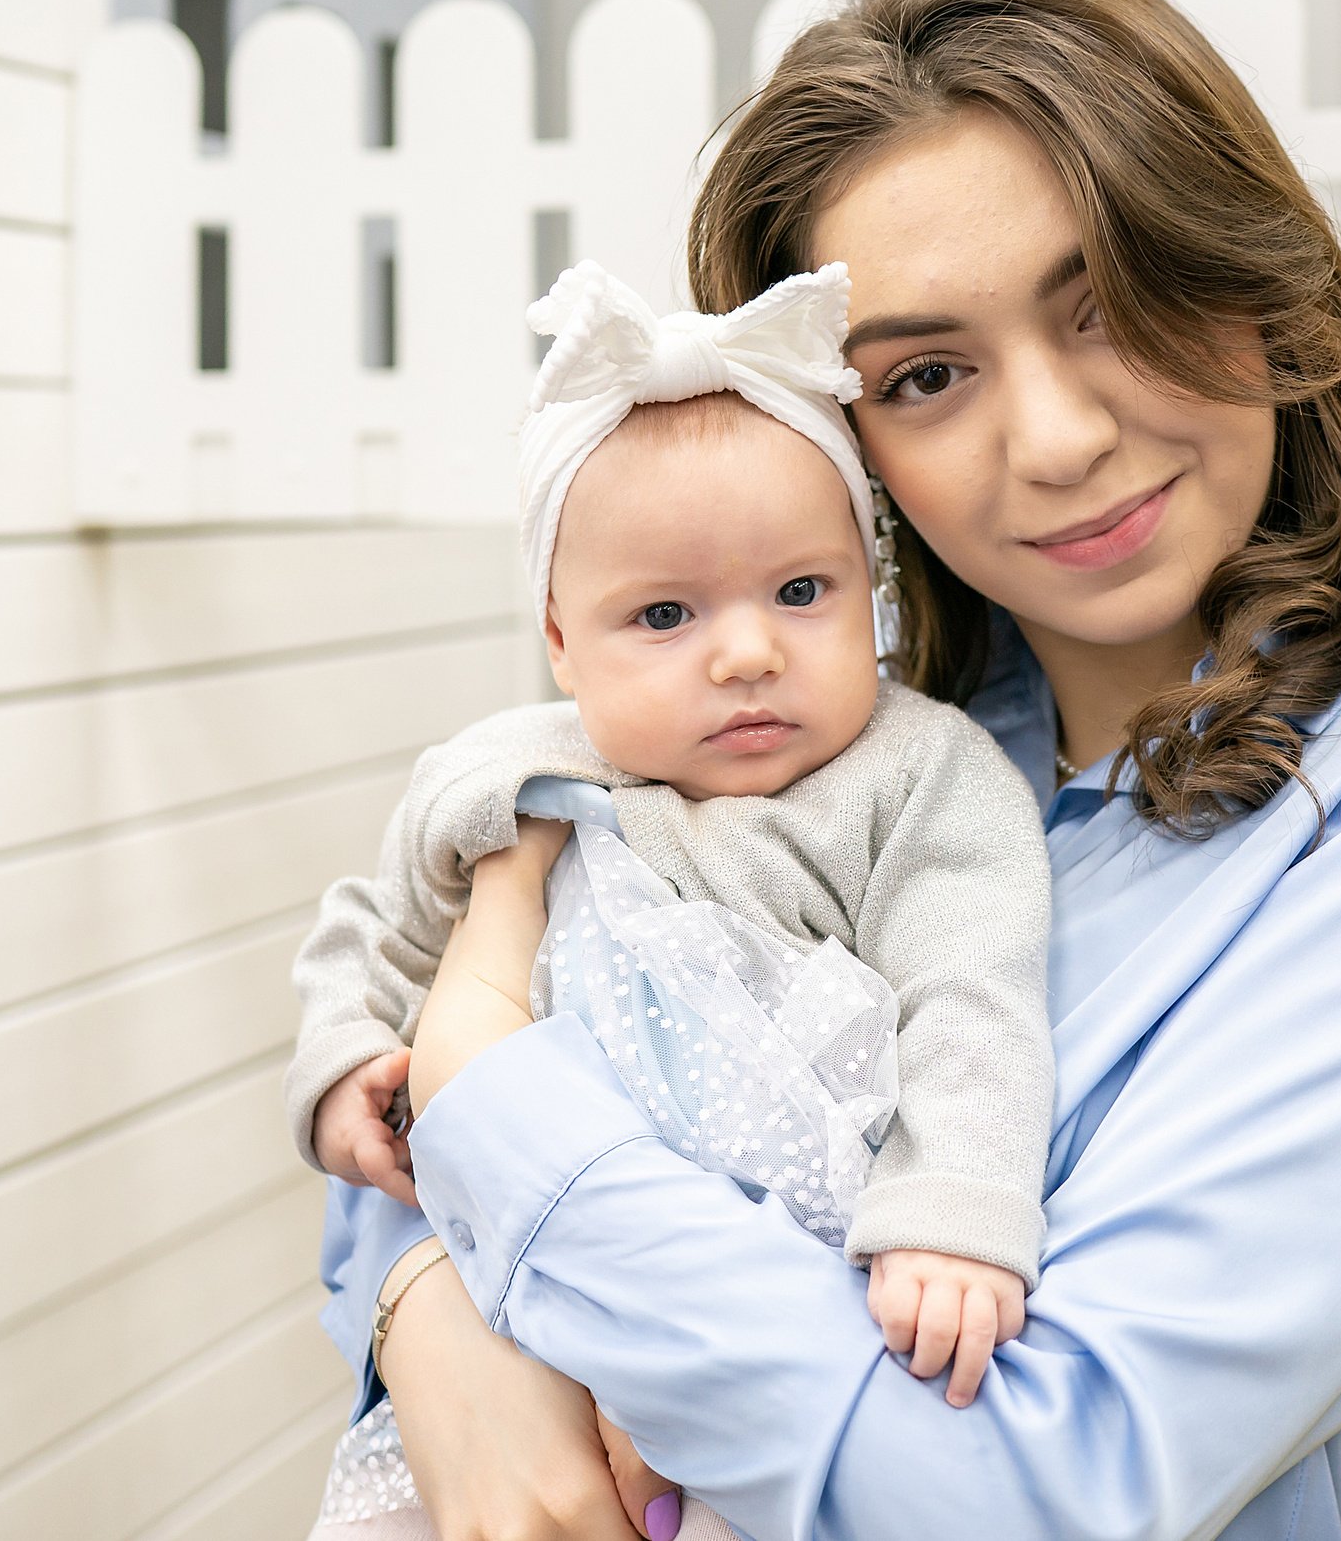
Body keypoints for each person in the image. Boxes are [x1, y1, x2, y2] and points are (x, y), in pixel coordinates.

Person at [316, 0, 1341, 1541]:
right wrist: (424, 1307)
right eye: (924, 373)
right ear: (842, 448)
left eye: (1107, 304)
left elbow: (1040, 1487)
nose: (1054, 436)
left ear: (1251, 277)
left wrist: (494, 1113)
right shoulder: (857, 747)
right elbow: (401, 1094)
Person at [294, 262, 1059, 1534]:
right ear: (558, 637)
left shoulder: (918, 779)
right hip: (518, 1321)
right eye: (662, 613)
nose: (748, 651)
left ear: (866, 589)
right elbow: (371, 937)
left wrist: (952, 1210)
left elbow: (973, 998)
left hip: (788, 1295)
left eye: (801, 592)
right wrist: (340, 1068)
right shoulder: (510, 773)